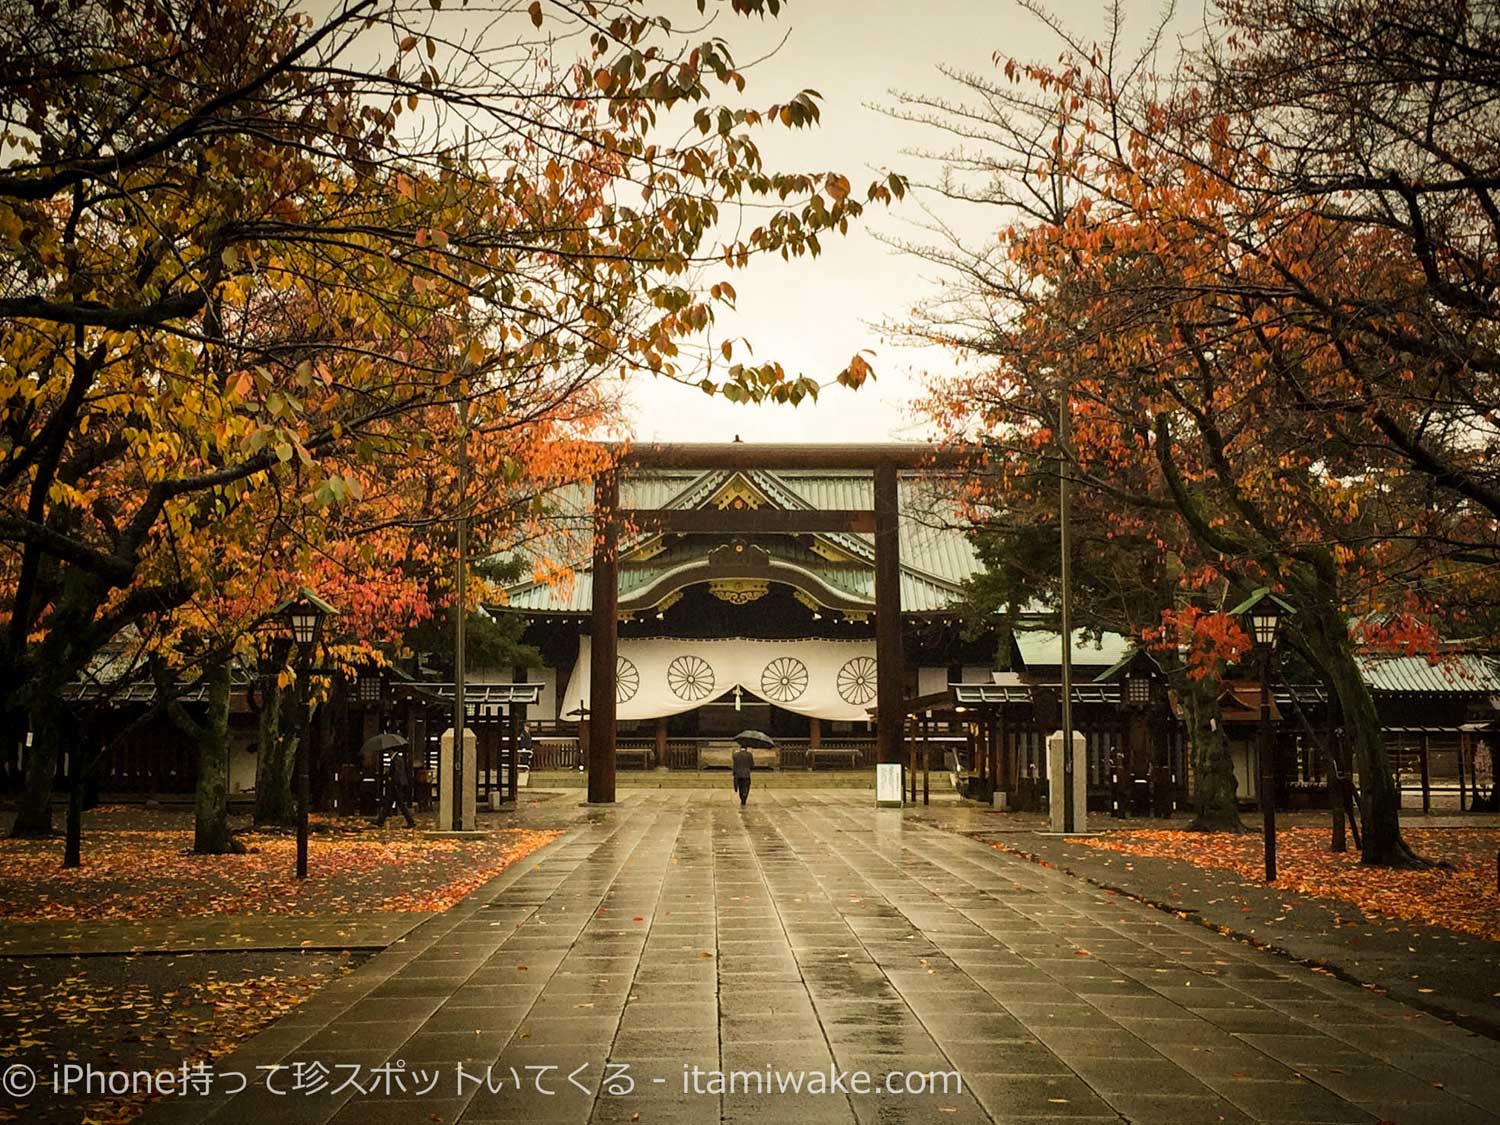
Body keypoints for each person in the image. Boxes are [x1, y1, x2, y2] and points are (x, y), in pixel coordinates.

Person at [375, 745, 417, 828]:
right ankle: (380, 821)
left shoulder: (396, 759)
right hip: (395, 785)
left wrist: (391, 778)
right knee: (388, 804)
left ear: (391, 751)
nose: (387, 754)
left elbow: (398, 772)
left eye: (388, 752)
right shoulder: (397, 759)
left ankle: (411, 821)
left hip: (396, 785)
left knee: (400, 804)